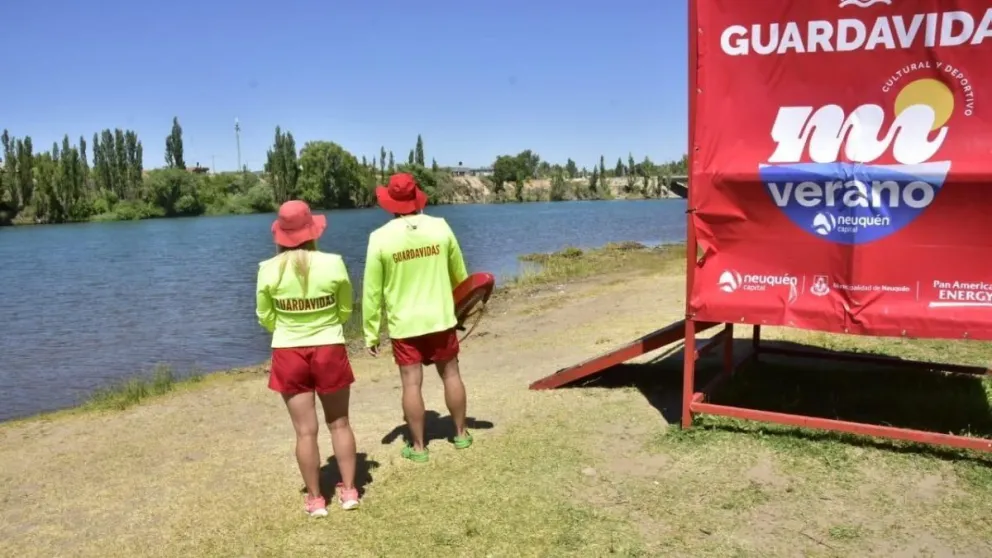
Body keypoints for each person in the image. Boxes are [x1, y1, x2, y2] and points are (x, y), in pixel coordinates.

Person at [256, 200, 360, 516]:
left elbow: (265, 316)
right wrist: (326, 323)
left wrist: (288, 328)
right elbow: (345, 307)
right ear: (312, 230)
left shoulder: (267, 269)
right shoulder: (334, 263)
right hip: (329, 346)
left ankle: (315, 499)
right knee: (339, 423)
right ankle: (350, 491)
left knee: (305, 431)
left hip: (288, 350)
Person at [362, 173, 472, 463]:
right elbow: (460, 275)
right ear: (417, 198)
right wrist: (464, 308)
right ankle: (461, 434)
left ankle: (419, 447)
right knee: (451, 374)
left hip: (404, 323)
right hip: (440, 318)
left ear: (391, 203)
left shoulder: (379, 238)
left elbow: (371, 291)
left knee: (411, 384)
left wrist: (371, 332)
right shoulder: (440, 227)